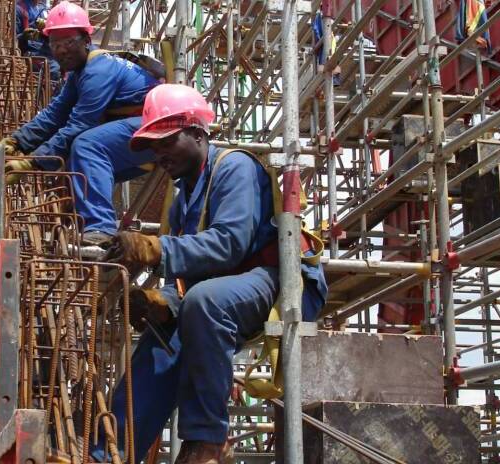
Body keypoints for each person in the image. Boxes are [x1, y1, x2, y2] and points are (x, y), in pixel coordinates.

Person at [98, 84, 328, 464]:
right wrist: (165, 305)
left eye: (167, 141)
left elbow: (230, 244)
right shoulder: (183, 196)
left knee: (205, 303)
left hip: (282, 281)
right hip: (229, 289)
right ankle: (108, 452)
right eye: (154, 147)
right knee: (161, 343)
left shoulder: (233, 167)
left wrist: (157, 249)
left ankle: (207, 441)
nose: (160, 155)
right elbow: (184, 281)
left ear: (198, 134)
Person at [1, 1, 161, 246]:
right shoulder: (80, 73)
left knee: (85, 145)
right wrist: (17, 141)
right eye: (55, 43)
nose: (61, 50)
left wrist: (32, 161)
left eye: (69, 42)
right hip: (141, 134)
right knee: (70, 170)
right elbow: (54, 114)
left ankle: (101, 230)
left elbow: (79, 124)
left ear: (87, 40)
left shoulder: (98, 70)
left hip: (157, 131)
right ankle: (82, 227)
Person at [15, 0, 61, 83]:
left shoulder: (43, 9)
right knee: (54, 70)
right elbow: (13, 39)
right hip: (32, 53)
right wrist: (24, 35)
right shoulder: (19, 9)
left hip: (48, 50)